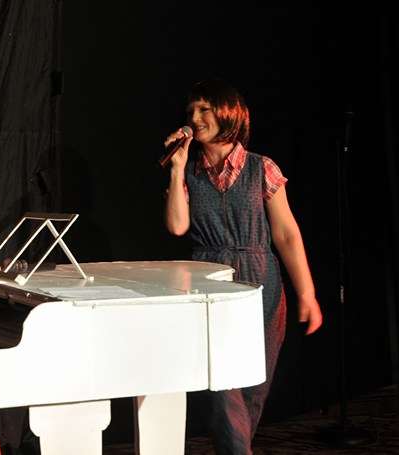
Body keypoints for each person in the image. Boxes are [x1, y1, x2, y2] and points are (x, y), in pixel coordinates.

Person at [162, 79, 323, 454]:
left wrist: (307, 293)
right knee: (222, 386)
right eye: (191, 111)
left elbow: (286, 234)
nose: (195, 118)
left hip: (260, 278)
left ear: (228, 112)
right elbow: (177, 226)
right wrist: (176, 169)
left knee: (253, 387)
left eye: (204, 109)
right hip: (208, 278)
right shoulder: (189, 172)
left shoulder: (261, 168)